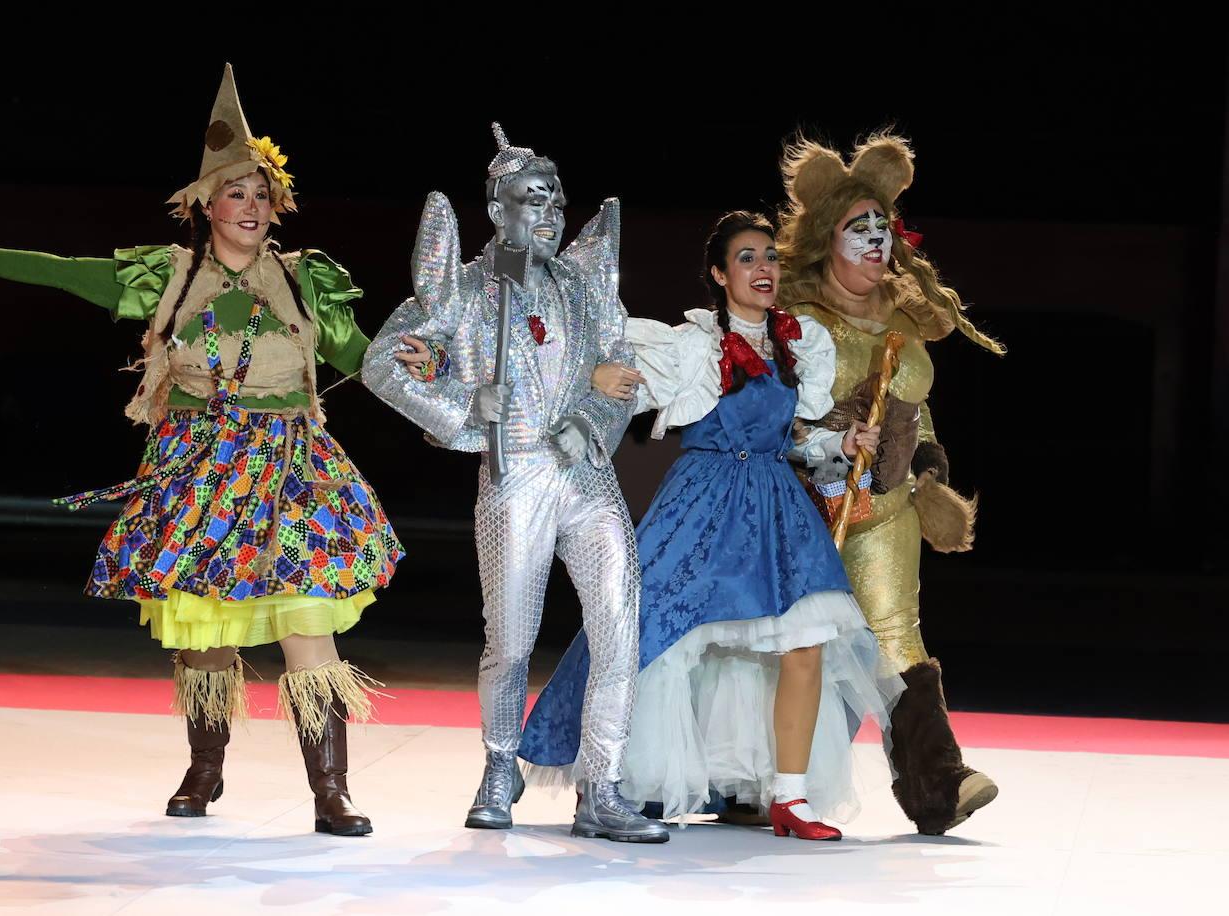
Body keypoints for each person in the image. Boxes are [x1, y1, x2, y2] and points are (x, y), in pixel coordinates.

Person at [0, 65, 403, 837]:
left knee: (309, 625)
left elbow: (366, 359)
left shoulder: (307, 283)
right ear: (206, 205)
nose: (252, 206)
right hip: (198, 470)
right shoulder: (167, 275)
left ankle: (330, 791)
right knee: (203, 636)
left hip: (292, 470)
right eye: (237, 193)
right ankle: (204, 771)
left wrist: (423, 370)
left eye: (263, 194)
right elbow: (65, 275)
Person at [520, 211, 900, 839]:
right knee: (653, 635)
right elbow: (607, 365)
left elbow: (795, 440)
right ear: (721, 274)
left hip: (776, 504)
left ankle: (790, 798)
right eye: (748, 258)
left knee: (804, 642)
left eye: (771, 257)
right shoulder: (693, 345)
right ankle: (621, 776)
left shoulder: (796, 345)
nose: (764, 269)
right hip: (704, 501)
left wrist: (839, 441)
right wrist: (586, 377)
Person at [362, 125, 668, 843]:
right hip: (515, 477)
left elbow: (621, 371)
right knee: (510, 636)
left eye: (557, 201)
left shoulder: (584, 291)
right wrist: (463, 408)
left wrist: (592, 419)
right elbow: (385, 363)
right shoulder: (464, 292)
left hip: (588, 477)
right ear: (498, 210)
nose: (551, 214)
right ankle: (501, 764)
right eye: (533, 201)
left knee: (620, 625)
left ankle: (602, 784)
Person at [776, 132, 1005, 834]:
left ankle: (939, 785)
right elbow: (771, 417)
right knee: (789, 644)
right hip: (811, 505)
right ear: (825, 239)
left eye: (884, 229)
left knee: (896, 638)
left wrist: (930, 468)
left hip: (885, 507)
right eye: (858, 229)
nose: (877, 242)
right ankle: (748, 779)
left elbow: (919, 412)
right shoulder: (798, 321)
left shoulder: (906, 319)